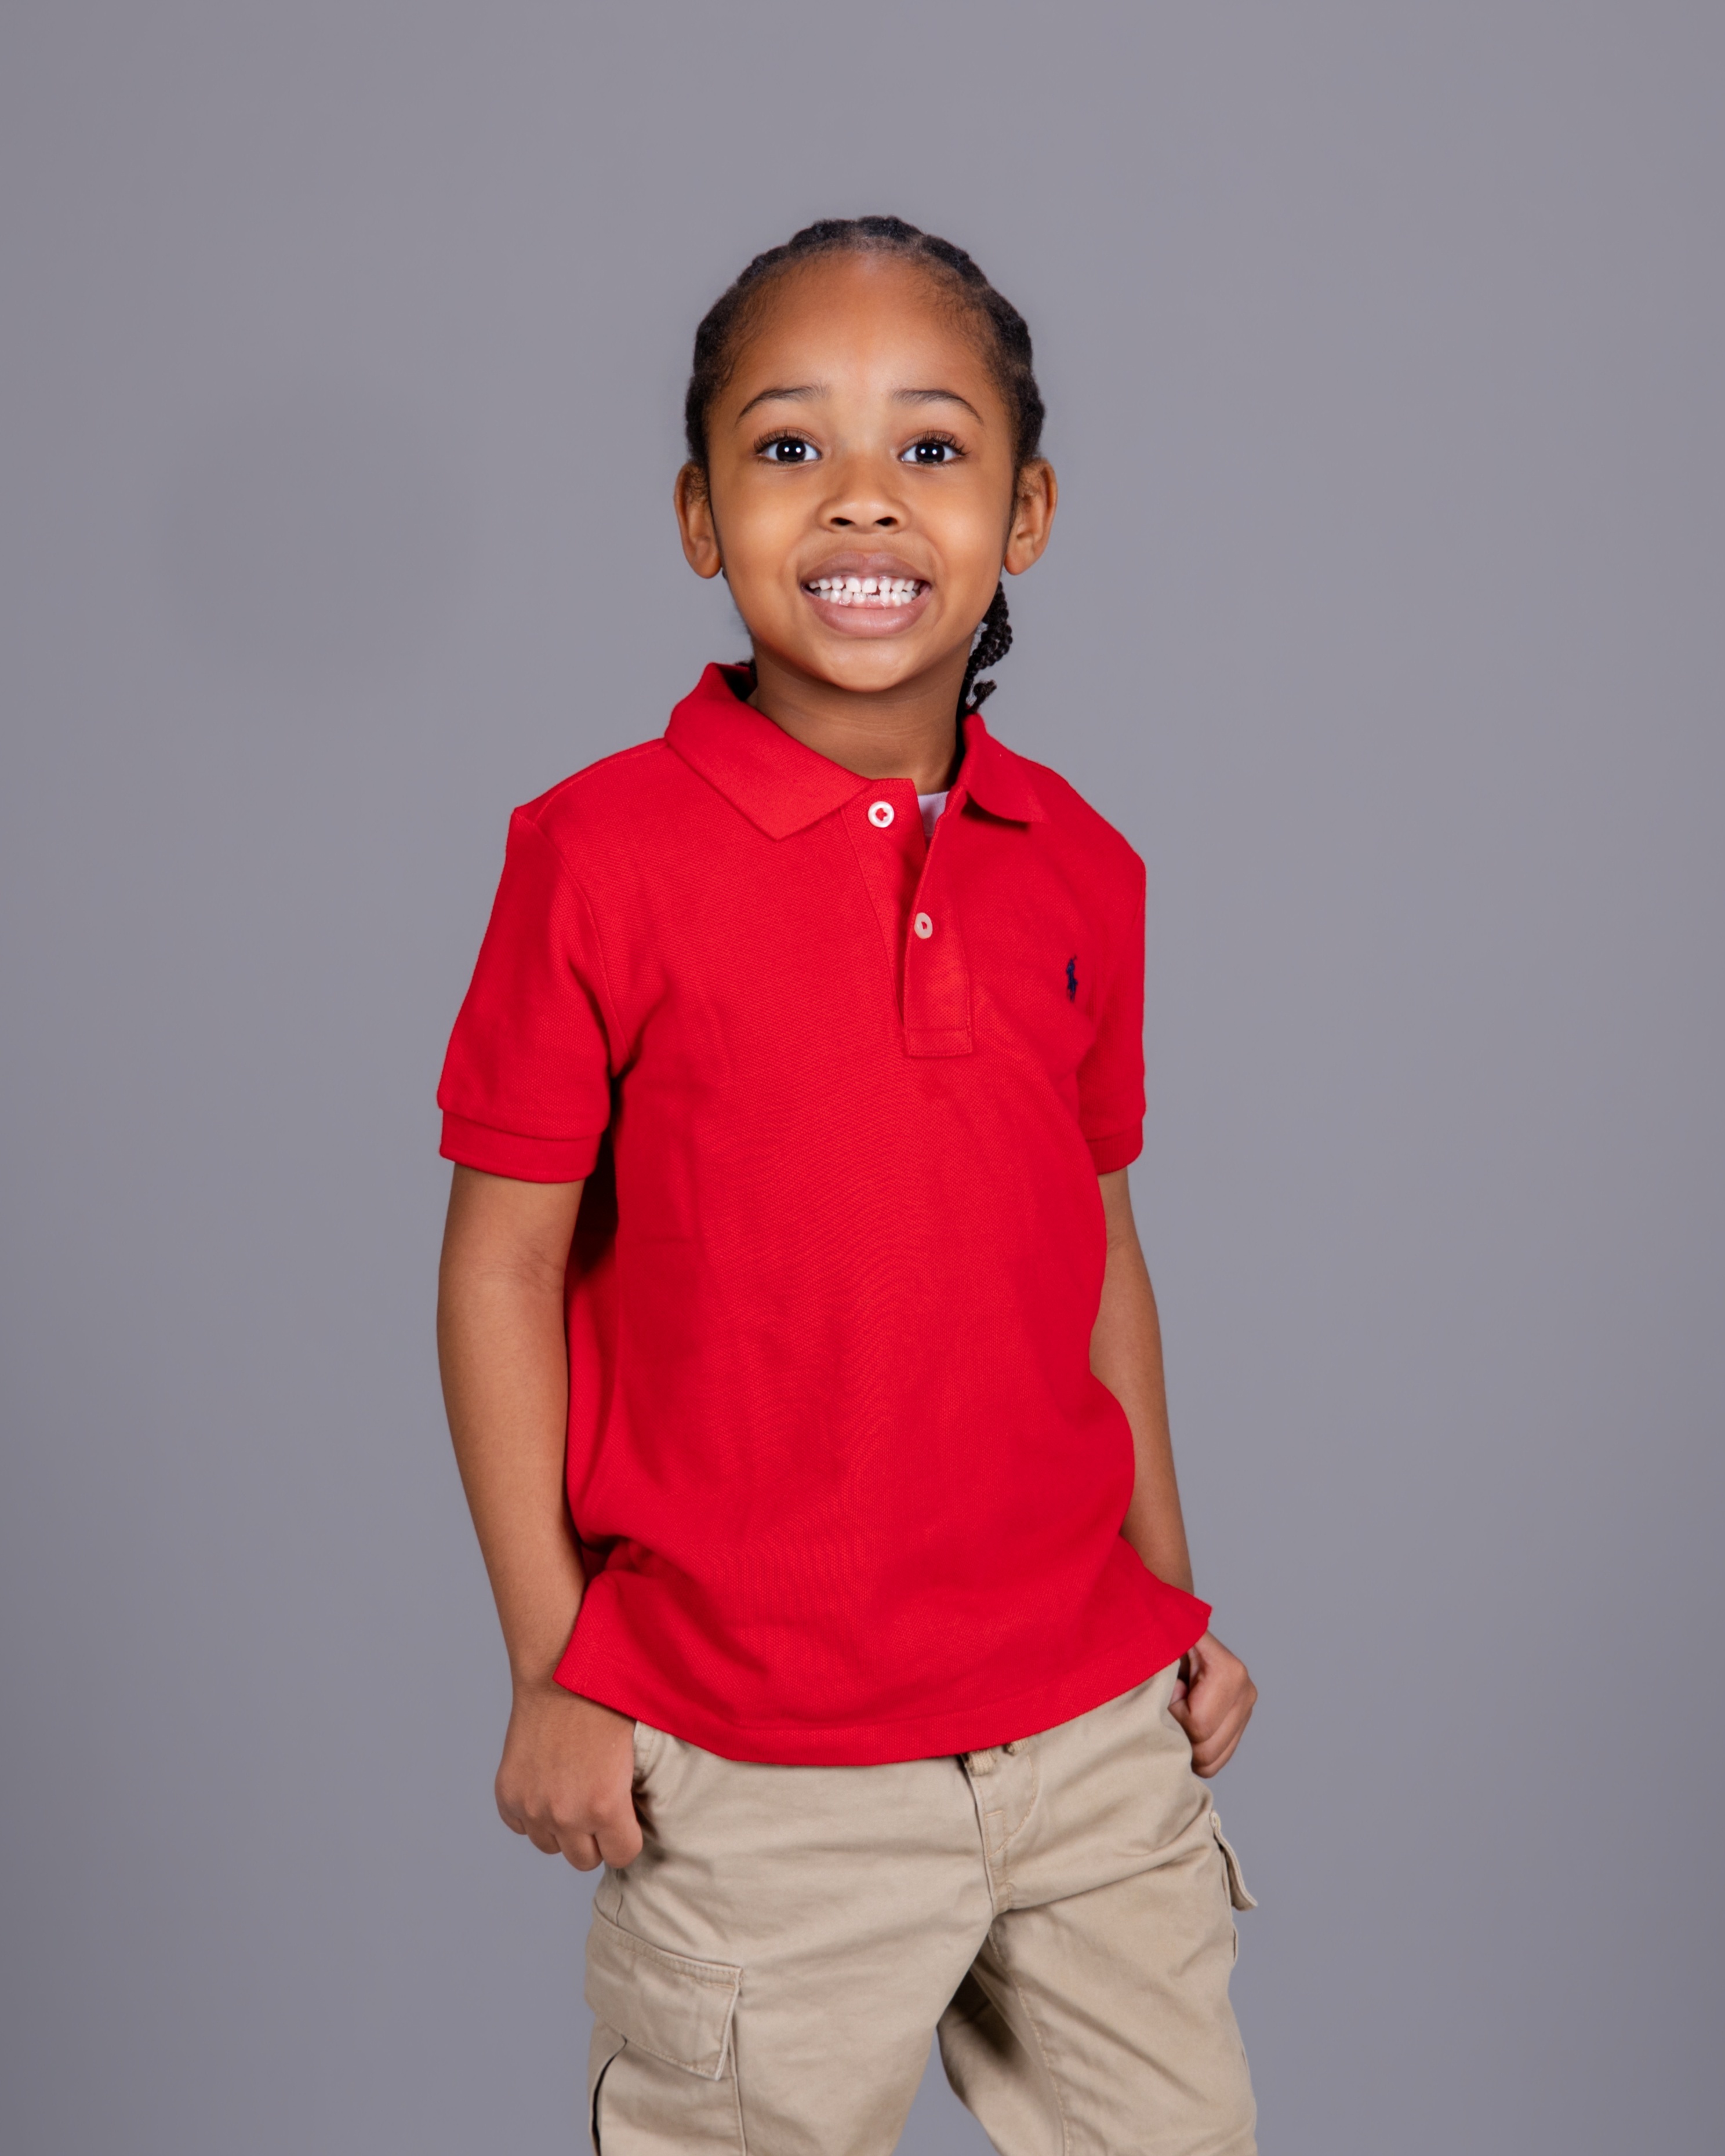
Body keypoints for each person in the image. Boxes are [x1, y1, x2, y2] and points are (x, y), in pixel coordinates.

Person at [436, 216, 1259, 2155]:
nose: (864, 499)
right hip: (755, 1761)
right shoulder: (597, 857)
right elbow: (499, 1274)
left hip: (1087, 1735)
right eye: (791, 446)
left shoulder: (1084, 867)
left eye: (934, 447)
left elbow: (1098, 1251)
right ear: (699, 518)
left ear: (1024, 515)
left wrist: (1165, 1590)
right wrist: (554, 1666)